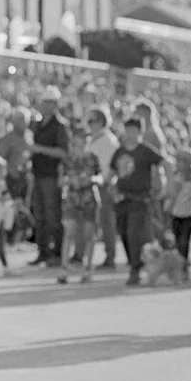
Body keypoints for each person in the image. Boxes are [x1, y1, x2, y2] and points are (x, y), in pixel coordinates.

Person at [111, 115, 166, 287]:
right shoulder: (120, 151)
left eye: (134, 131)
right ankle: (133, 262)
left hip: (140, 198)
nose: (130, 134)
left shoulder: (145, 150)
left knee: (134, 233)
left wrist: (165, 185)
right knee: (124, 233)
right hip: (122, 198)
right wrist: (111, 189)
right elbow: (112, 174)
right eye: (128, 131)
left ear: (140, 132)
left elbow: (165, 163)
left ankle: (135, 269)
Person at [28, 90, 69, 267]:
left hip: (52, 176)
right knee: (40, 216)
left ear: (54, 105)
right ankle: (42, 252)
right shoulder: (36, 124)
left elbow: (63, 152)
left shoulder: (60, 126)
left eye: (48, 102)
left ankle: (58, 253)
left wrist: (40, 149)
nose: (44, 106)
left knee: (53, 216)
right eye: (43, 102)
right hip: (37, 173)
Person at [58, 124, 102, 284]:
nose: (79, 146)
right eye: (76, 143)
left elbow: (101, 177)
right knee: (69, 233)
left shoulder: (92, 159)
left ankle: (87, 269)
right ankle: (64, 269)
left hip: (89, 198)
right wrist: (71, 180)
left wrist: (89, 180)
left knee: (89, 234)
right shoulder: (67, 160)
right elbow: (60, 179)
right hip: (72, 199)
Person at [85, 108, 120, 270]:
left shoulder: (107, 140)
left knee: (107, 222)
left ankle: (110, 256)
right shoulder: (94, 139)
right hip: (92, 184)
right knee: (96, 221)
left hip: (103, 186)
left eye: (92, 121)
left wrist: (100, 182)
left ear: (100, 122)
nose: (89, 124)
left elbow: (108, 168)